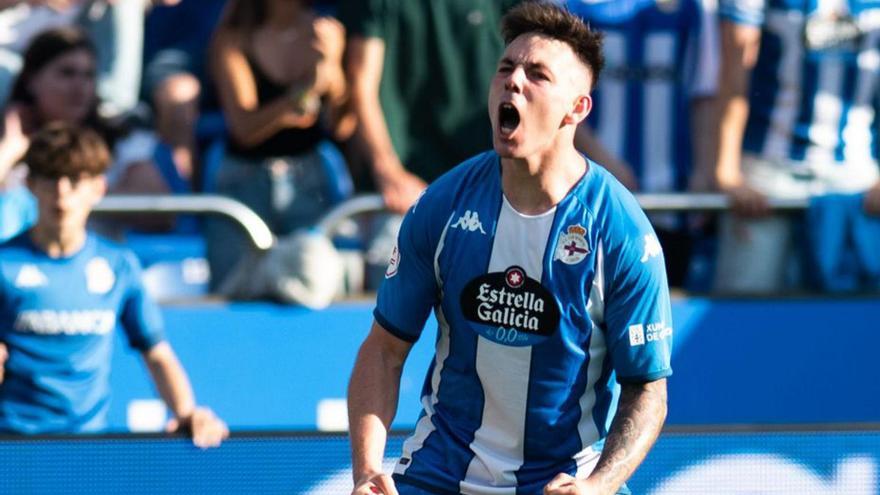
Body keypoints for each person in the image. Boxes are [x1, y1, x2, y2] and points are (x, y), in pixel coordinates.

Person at [348, 4, 672, 495]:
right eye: (505, 68)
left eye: (537, 75)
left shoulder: (621, 232)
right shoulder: (442, 205)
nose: (513, 81)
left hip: (564, 484)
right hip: (439, 477)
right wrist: (368, 467)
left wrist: (602, 484)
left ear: (577, 108)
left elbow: (647, 389)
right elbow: (384, 350)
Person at [0, 123, 228, 447]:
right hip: (11, 445)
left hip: (87, 446)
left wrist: (187, 411)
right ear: (31, 185)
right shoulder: (5, 264)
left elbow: (157, 353)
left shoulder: (118, 266)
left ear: (98, 188)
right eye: (51, 178)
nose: (62, 193)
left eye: (76, 180)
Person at [714, 0, 880, 293]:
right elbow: (732, 76)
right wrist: (728, 172)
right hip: (767, 175)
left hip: (855, 177)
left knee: (855, 317)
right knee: (744, 304)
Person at [566, 0, 719, 288]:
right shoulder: (567, 6)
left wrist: (704, 170)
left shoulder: (697, 9)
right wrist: (604, 165)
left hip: (672, 203)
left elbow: (704, 93)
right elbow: (558, 101)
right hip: (590, 202)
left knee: (664, 315)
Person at [206, 0, 354, 289]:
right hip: (242, 183)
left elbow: (342, 125)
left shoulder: (325, 33)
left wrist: (331, 64)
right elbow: (245, 128)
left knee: (316, 286)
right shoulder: (232, 38)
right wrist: (303, 94)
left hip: (310, 182)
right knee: (232, 289)